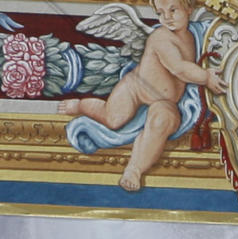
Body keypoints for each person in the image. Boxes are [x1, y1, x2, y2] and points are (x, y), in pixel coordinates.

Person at [58, 0, 225, 191]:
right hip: (135, 89)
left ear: (189, 9)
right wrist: (206, 77)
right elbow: (178, 68)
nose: (167, 18)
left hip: (165, 101)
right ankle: (81, 105)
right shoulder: (161, 37)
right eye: (161, 13)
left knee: (163, 121)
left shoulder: (195, 35)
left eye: (173, 10)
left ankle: (135, 169)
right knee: (113, 118)